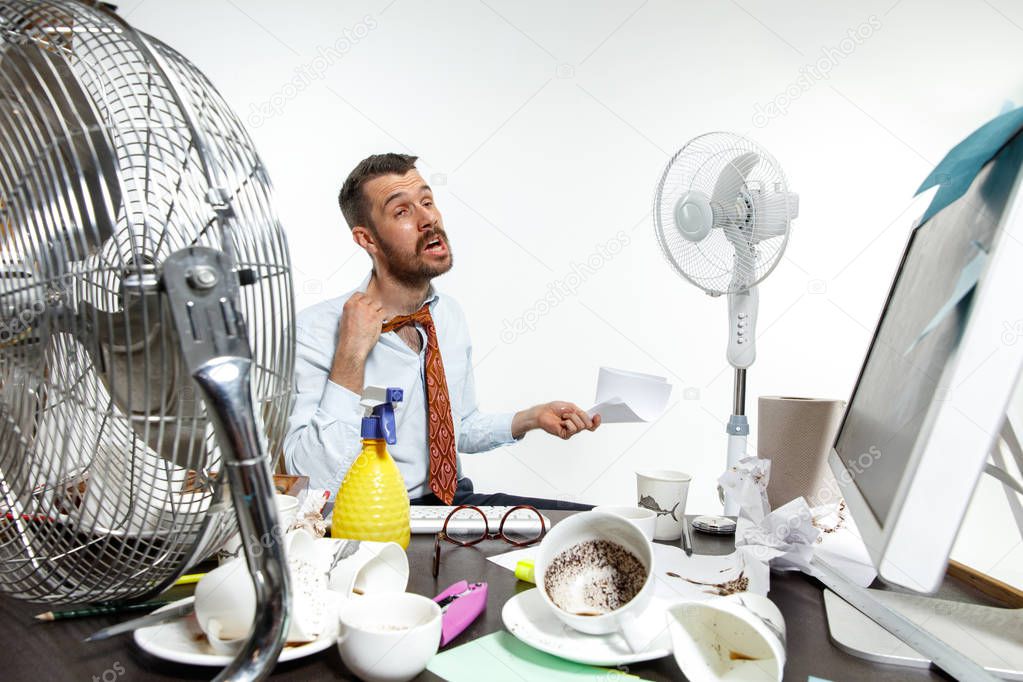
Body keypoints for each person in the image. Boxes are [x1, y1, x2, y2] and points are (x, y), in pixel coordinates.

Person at [284, 153, 600, 510]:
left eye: (427, 201)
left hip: (454, 503)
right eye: (402, 211)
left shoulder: (448, 315)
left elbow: (457, 427)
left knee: (598, 527)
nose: (428, 219)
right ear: (367, 239)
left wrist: (530, 418)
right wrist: (351, 357)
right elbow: (313, 480)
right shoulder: (315, 331)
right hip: (375, 514)